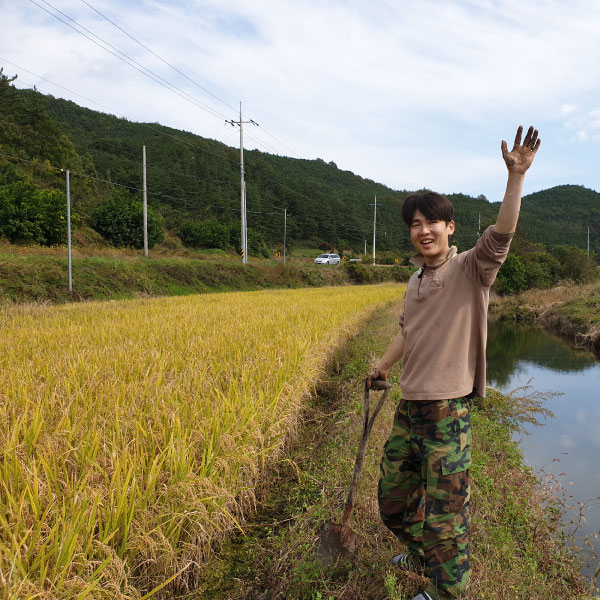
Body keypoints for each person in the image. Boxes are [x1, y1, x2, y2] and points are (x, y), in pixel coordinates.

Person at [368, 126, 540, 600]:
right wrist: (382, 367)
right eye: (415, 224)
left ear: (450, 228)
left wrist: (515, 179)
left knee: (446, 516)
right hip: (409, 410)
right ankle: (426, 556)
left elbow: (503, 232)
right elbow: (409, 332)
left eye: (432, 223)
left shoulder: (471, 269)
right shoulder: (414, 280)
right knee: (391, 504)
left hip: (447, 413)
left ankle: (447, 591)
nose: (423, 230)